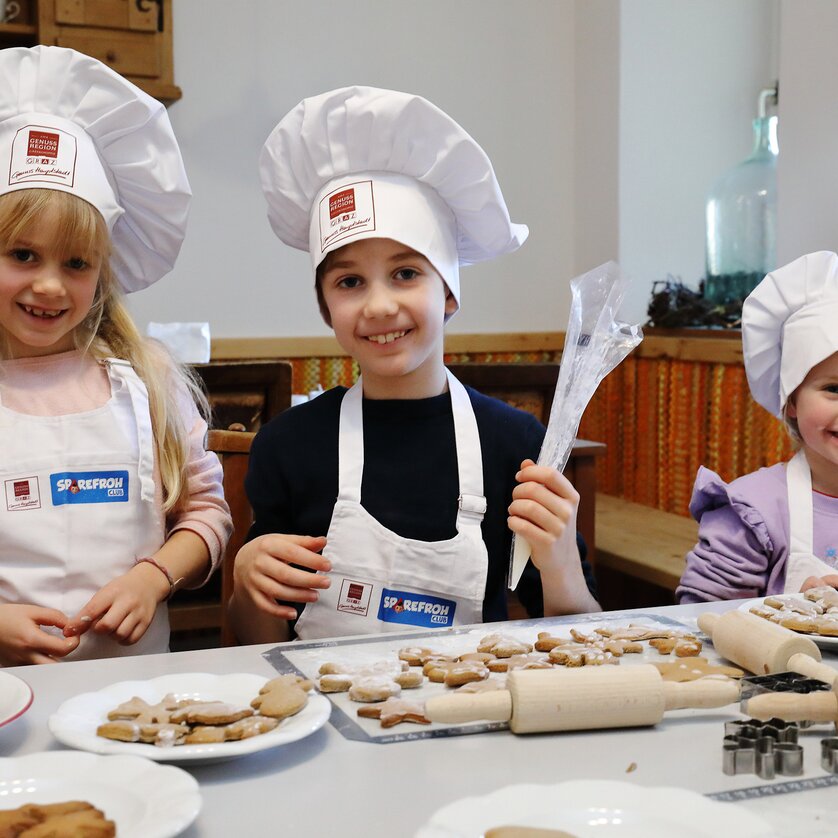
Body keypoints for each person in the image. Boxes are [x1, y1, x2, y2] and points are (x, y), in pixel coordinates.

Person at [230, 86, 600, 643]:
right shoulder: (288, 445)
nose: (380, 305)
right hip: (317, 695)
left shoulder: (517, 445)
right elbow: (255, 648)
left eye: (405, 273)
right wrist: (247, 581)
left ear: (448, 292)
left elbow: (582, 637)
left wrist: (561, 561)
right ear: (326, 308)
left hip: (474, 695)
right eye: (350, 281)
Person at [0, 46, 232, 665]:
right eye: (22, 255)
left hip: (134, 695)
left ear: (103, 272)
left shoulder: (146, 377)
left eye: (76, 263)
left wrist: (154, 577)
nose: (49, 285)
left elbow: (207, 513)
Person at [678, 251, 838, 603]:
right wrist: (789, 614)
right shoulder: (754, 512)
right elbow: (700, 620)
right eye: (833, 389)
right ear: (791, 401)